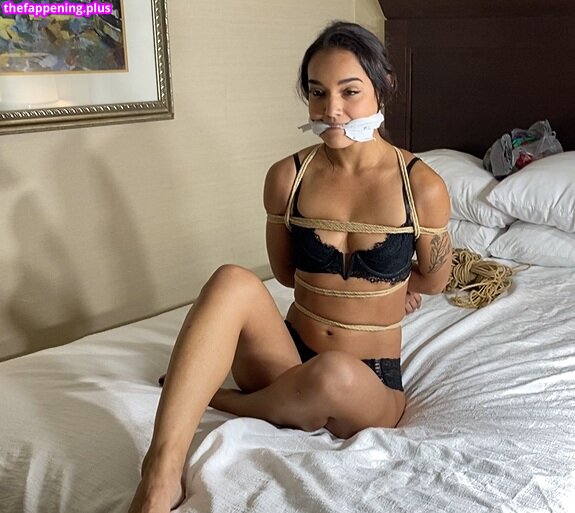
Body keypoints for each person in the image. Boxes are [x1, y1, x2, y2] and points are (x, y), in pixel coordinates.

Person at [128, 20, 452, 513]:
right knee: (232, 279)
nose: (332, 110)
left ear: (383, 87)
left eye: (349, 92)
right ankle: (160, 473)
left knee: (333, 374)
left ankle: (226, 400)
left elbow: (436, 279)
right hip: (285, 357)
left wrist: (396, 286)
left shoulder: (421, 186)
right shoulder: (288, 177)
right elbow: (284, 274)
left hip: (365, 383)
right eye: (318, 93)